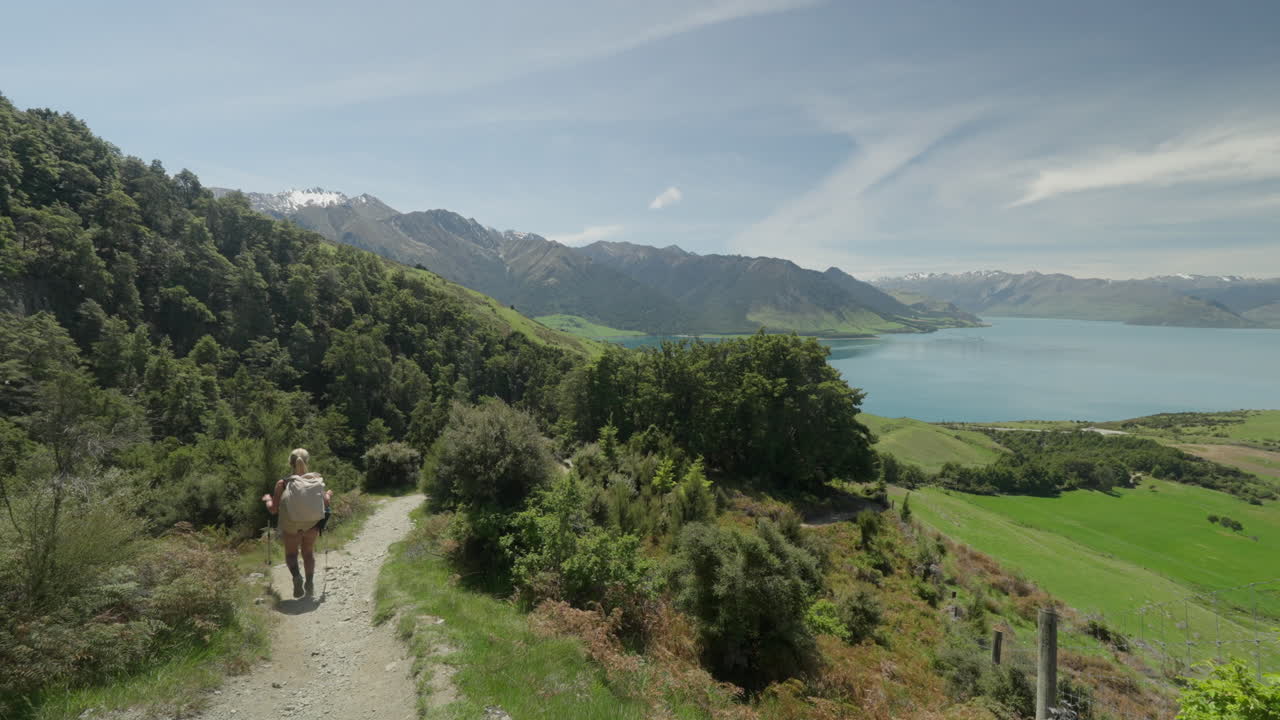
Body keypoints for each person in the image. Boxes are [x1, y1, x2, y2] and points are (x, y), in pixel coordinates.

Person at [262, 448, 333, 597]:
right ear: (307, 461)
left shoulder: (283, 483)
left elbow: (274, 510)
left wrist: (268, 500)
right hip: (312, 524)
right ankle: (310, 583)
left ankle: (296, 577)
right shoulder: (315, 479)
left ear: (290, 463)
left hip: (292, 524)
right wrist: (328, 494)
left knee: (291, 554)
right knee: (308, 553)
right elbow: (325, 503)